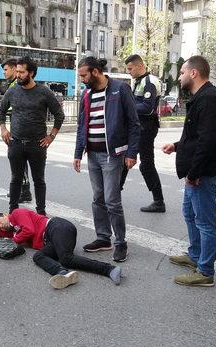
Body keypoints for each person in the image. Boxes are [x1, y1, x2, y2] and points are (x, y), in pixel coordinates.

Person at [161, 55, 216, 287]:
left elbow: (208, 141)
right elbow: (198, 136)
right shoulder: (203, 97)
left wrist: (194, 174)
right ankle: (195, 255)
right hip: (197, 172)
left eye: (182, 72)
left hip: (203, 174)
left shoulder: (209, 98)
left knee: (204, 222)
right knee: (190, 214)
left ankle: (205, 271)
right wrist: (177, 147)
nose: (179, 77)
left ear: (193, 73)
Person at [73, 57, 140, 262]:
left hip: (113, 154)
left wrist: (131, 153)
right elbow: (82, 125)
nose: (82, 79)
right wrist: (78, 153)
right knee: (98, 199)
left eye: (84, 75)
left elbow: (134, 123)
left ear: (95, 72)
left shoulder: (120, 89)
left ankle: (121, 243)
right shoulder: (86, 94)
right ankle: (103, 238)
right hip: (92, 154)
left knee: (112, 200)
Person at [0, 208, 123, 289]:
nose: (0, 226)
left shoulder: (17, 213)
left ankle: (110, 269)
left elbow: (30, 230)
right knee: (38, 257)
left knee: (66, 258)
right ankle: (62, 273)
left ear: (5, 214)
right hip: (50, 240)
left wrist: (14, 240)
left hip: (57, 227)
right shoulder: (14, 231)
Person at [0, 57, 65, 216]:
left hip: (37, 145)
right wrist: (3, 129)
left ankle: (41, 213)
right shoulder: (12, 91)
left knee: (39, 180)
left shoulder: (44, 92)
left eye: (22, 72)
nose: (18, 74)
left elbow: (59, 115)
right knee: (16, 179)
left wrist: (51, 136)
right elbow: (1, 111)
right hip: (16, 144)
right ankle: (13, 212)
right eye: (17, 71)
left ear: (31, 73)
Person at [122, 54, 165, 212]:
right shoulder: (139, 81)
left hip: (146, 127)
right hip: (139, 126)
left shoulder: (150, 82)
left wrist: (127, 106)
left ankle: (159, 201)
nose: (129, 72)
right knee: (125, 159)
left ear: (140, 66)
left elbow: (148, 108)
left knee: (146, 164)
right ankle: (113, 194)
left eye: (130, 68)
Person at [1, 58, 32, 203]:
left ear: (14, 69)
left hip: (20, 130)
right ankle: (21, 189)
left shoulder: (16, 86)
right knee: (18, 162)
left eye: (6, 69)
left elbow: (15, 108)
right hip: (16, 128)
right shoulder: (13, 85)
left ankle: (24, 191)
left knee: (20, 161)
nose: (4, 72)